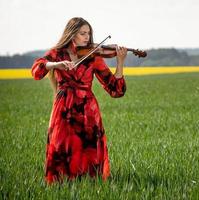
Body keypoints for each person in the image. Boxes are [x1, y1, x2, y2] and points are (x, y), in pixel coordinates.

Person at [31, 17, 127, 184]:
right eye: (82, 33)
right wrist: (55, 65)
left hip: (87, 108)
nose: (87, 37)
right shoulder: (57, 53)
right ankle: (60, 185)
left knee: (89, 148)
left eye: (88, 33)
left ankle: (90, 185)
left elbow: (116, 90)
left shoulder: (94, 56)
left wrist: (120, 62)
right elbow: (36, 71)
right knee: (61, 146)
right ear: (72, 34)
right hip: (63, 107)